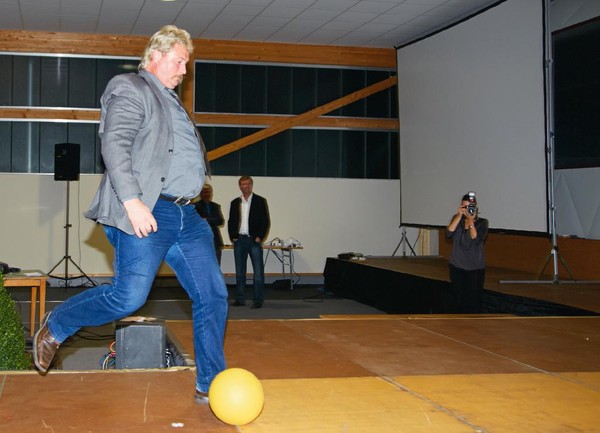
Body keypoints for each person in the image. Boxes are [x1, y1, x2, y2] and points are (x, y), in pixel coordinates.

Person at [32, 25, 228, 404]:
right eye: (178, 61)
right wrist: (133, 201)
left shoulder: (174, 103)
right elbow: (114, 145)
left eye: (186, 64)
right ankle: (57, 325)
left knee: (213, 294)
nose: (184, 71)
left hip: (188, 217)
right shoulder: (130, 87)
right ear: (155, 56)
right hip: (148, 208)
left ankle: (210, 383)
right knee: (128, 297)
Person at [227, 176, 270, 309]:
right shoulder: (235, 202)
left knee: (258, 272)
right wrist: (233, 236)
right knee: (240, 272)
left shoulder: (260, 201)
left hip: (254, 240)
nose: (245, 186)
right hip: (239, 240)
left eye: (247, 184)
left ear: (251, 185)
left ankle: (258, 300)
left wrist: (260, 237)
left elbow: (265, 221)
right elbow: (231, 221)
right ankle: (240, 299)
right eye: (242, 184)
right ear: (240, 186)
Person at [445, 192, 489, 313]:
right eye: (464, 206)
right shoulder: (457, 219)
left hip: (475, 269)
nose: (467, 209)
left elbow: (476, 240)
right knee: (458, 301)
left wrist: (470, 221)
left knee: (473, 302)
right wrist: (459, 215)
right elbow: (448, 234)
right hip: (457, 266)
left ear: (475, 207)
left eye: (469, 206)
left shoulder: (483, 222)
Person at [194, 184, 224, 264]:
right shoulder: (195, 206)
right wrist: (212, 220)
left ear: (211, 193)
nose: (207, 194)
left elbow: (220, 221)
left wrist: (206, 219)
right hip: (201, 240)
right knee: (202, 265)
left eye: (208, 192)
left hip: (215, 241)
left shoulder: (216, 206)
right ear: (200, 193)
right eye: (204, 192)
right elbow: (198, 221)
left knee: (216, 265)